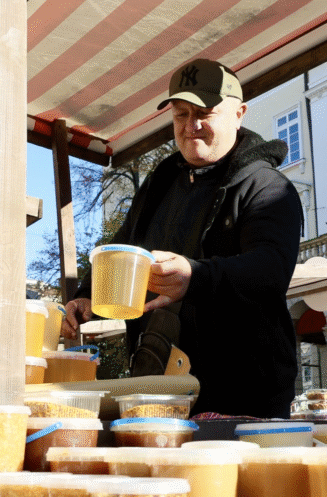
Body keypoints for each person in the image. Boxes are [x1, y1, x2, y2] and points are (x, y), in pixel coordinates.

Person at [62, 58, 303, 418]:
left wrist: (195, 275)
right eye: (180, 114)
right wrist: (87, 295)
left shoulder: (267, 186)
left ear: (239, 113)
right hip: (159, 391)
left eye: (205, 113)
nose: (191, 126)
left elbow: (271, 270)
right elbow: (125, 249)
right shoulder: (160, 183)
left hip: (242, 395)